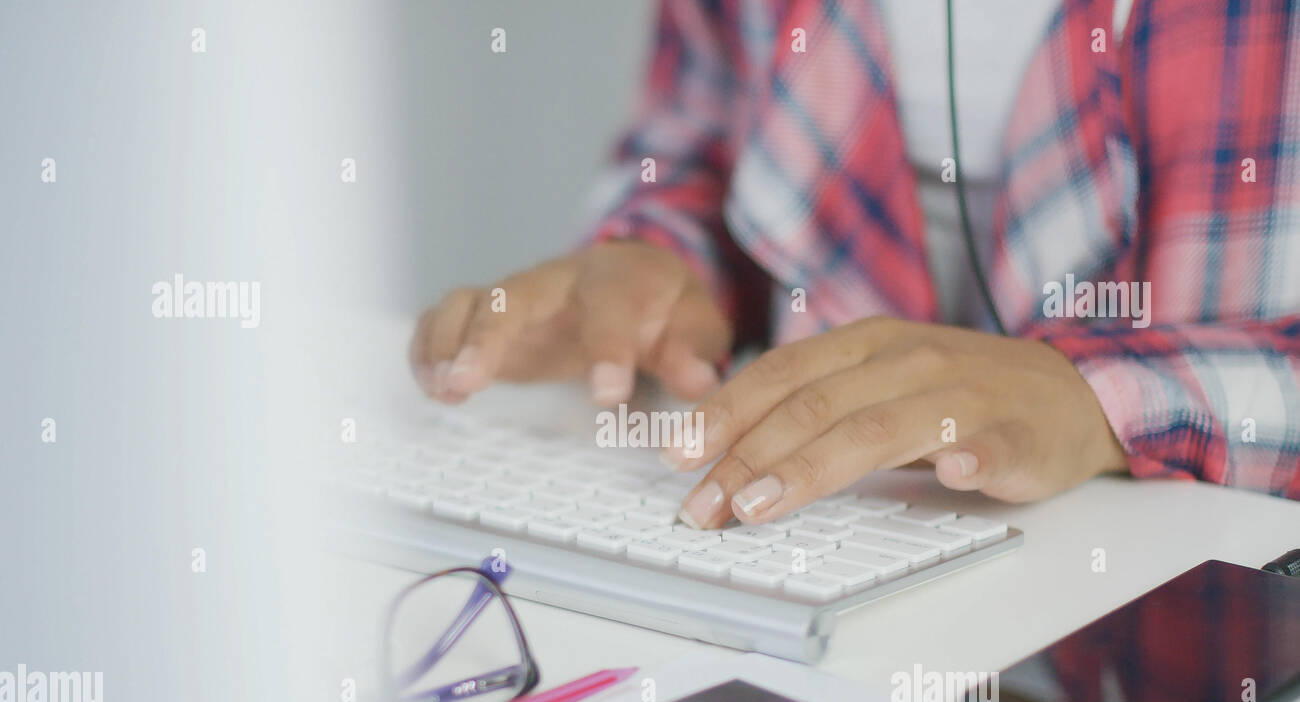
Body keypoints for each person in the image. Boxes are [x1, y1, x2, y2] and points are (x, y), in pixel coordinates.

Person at [408, 0, 1300, 530]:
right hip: (857, 543)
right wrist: (664, 261)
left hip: (1201, 599)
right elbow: (691, 150)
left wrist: (1104, 401)